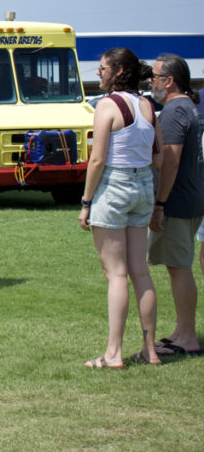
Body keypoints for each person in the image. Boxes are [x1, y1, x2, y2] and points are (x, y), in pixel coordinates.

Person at [78, 48, 163, 368]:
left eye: (102, 69)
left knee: (116, 273)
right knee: (139, 270)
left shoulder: (108, 105)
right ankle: (150, 350)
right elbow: (158, 155)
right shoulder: (146, 105)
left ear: (118, 71)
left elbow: (97, 159)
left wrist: (86, 202)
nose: (98, 73)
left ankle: (113, 354)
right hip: (143, 186)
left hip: (114, 186)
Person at [147, 54, 204, 358]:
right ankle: (183, 332)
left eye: (154, 76)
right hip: (190, 198)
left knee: (179, 267)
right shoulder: (187, 107)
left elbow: (170, 159)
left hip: (177, 202)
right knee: (178, 266)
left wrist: (160, 203)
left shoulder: (173, 111)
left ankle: (186, 336)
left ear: (168, 81)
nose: (150, 82)